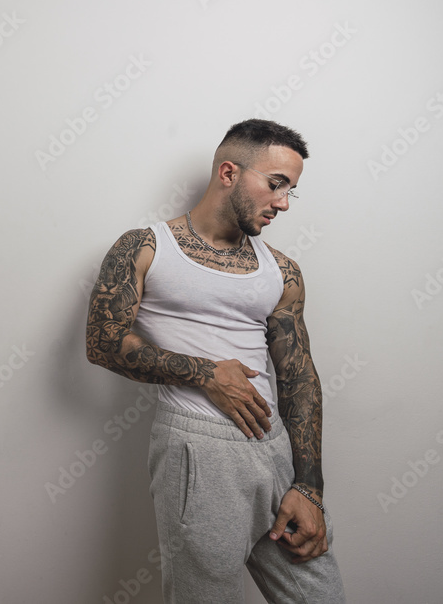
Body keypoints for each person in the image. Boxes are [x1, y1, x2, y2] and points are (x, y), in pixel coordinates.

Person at [85, 119, 345, 603]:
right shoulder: (145, 247)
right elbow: (102, 341)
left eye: (291, 190)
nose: (284, 203)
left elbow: (299, 379)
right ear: (229, 172)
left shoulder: (282, 271)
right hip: (197, 451)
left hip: (275, 450)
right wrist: (206, 373)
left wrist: (309, 487)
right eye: (276, 184)